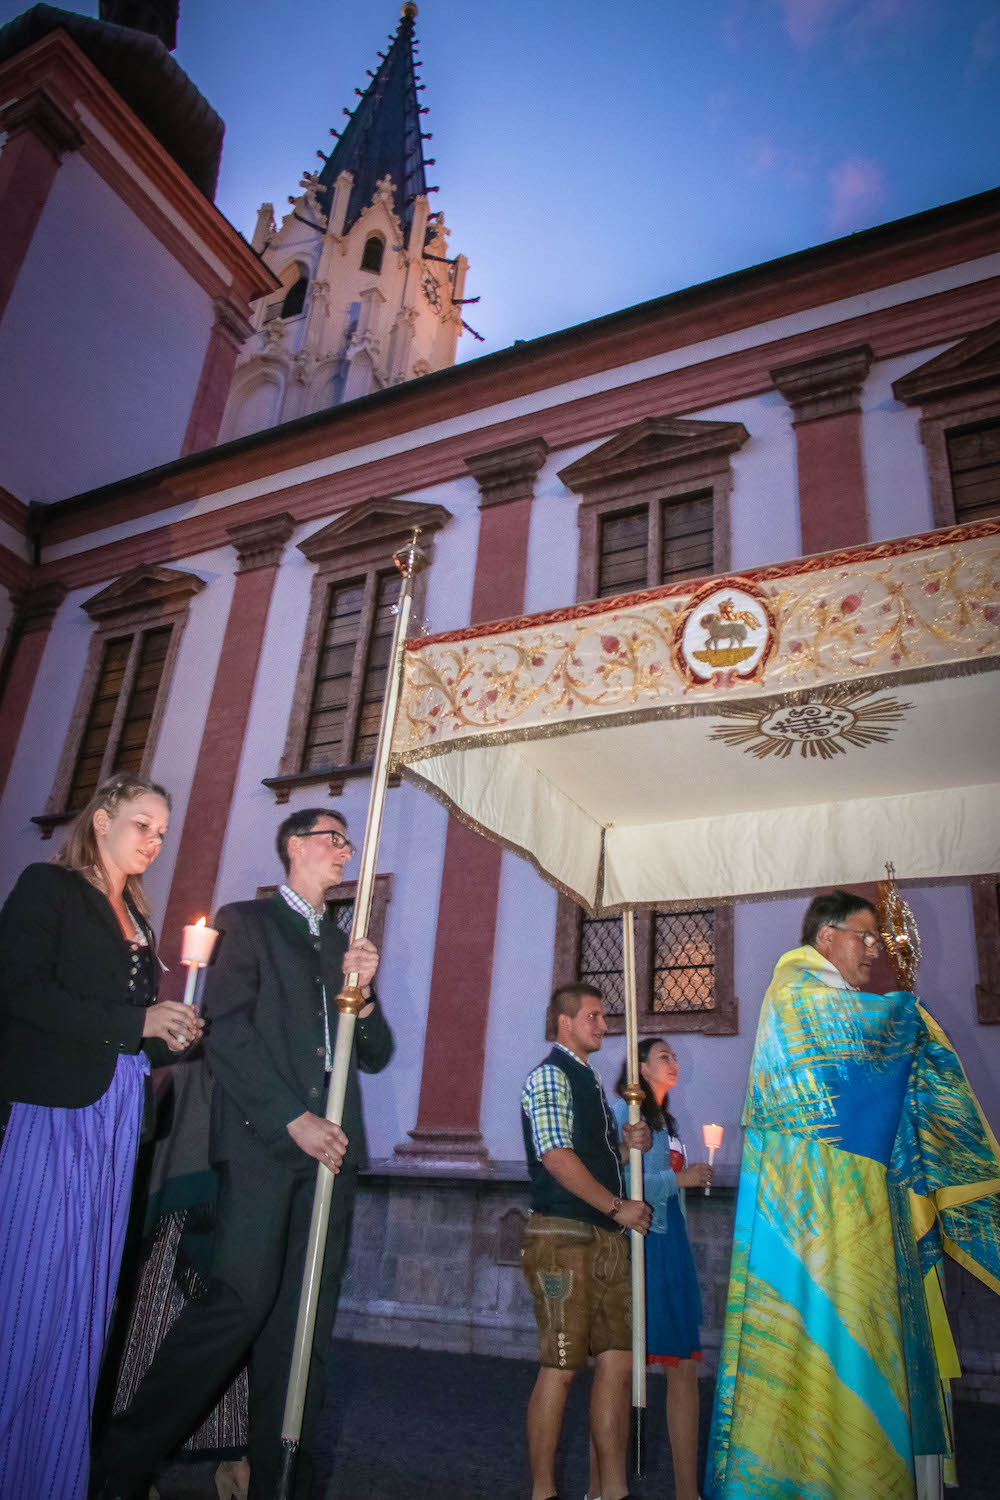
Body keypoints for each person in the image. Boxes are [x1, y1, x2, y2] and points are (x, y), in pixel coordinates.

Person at [96, 806, 393, 1500]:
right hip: (268, 1144)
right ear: (294, 847)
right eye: (333, 839)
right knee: (238, 1303)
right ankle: (122, 1463)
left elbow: (375, 1056)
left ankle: (279, 1479)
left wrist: (367, 995)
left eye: (348, 843)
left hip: (333, 1155)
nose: (345, 851)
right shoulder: (248, 922)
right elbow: (226, 1033)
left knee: (303, 1328)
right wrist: (294, 1120)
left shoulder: (344, 943)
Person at [706, 890, 1000, 1500]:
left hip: (850, 1204)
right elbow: (860, 1038)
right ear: (825, 938)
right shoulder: (796, 990)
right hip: (809, 1212)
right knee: (815, 1338)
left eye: (878, 939)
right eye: (865, 937)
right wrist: (908, 1013)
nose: (875, 949)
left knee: (851, 1346)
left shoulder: (836, 999)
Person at [0, 773, 202, 1500]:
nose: (154, 841)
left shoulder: (140, 924)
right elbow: (19, 991)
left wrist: (165, 1035)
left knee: (84, 1305)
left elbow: (125, 1035)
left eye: (162, 833)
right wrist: (133, 1026)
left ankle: (47, 1479)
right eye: (144, 824)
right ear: (103, 818)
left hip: (116, 1117)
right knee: (28, 1294)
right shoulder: (47, 890)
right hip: (53, 1111)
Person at [520, 982, 651, 1500]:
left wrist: (625, 1147)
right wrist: (619, 1206)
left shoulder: (590, 1081)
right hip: (563, 1236)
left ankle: (611, 1491)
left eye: (603, 1016)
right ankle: (544, 1491)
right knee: (561, 1364)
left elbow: (592, 1157)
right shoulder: (550, 1076)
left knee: (618, 1364)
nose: (604, 1025)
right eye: (593, 1017)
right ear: (564, 1023)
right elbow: (556, 1157)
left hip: (606, 1239)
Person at [611, 1040, 711, 1500]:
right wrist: (681, 1178)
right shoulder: (626, 1114)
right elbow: (619, 1185)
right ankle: (605, 1482)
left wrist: (687, 1176)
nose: (674, 1063)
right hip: (642, 1244)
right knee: (621, 1369)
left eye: (673, 1056)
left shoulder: (665, 1122)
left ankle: (687, 1491)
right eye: (665, 1056)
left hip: (671, 1245)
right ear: (641, 1068)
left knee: (684, 1368)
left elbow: (662, 1182)